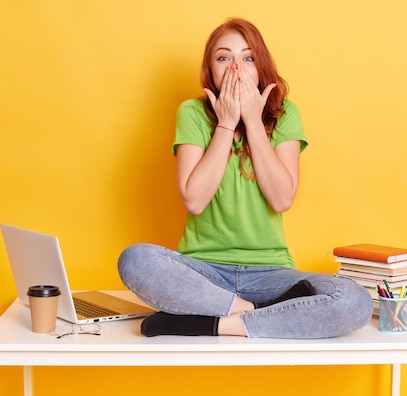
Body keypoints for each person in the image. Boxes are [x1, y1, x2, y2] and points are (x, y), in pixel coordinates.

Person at [118, 18, 372, 338]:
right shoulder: (193, 113)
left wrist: (252, 122)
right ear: (211, 71)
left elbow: (282, 198)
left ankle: (208, 323)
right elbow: (194, 200)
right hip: (203, 273)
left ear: (260, 66)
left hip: (271, 274)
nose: (236, 68)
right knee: (135, 260)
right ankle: (253, 313)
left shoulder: (285, 114)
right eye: (224, 58)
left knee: (353, 301)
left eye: (247, 58)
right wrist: (226, 124)